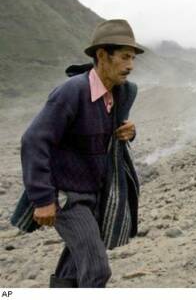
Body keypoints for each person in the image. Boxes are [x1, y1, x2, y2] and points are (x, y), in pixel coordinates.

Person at [13, 19, 143, 287]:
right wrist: (42, 199)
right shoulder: (71, 93)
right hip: (68, 198)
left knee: (72, 271)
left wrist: (128, 131)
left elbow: (105, 134)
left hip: (95, 195)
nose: (130, 65)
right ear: (102, 56)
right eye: (124, 57)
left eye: (133, 58)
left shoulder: (119, 94)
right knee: (96, 269)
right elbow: (34, 141)